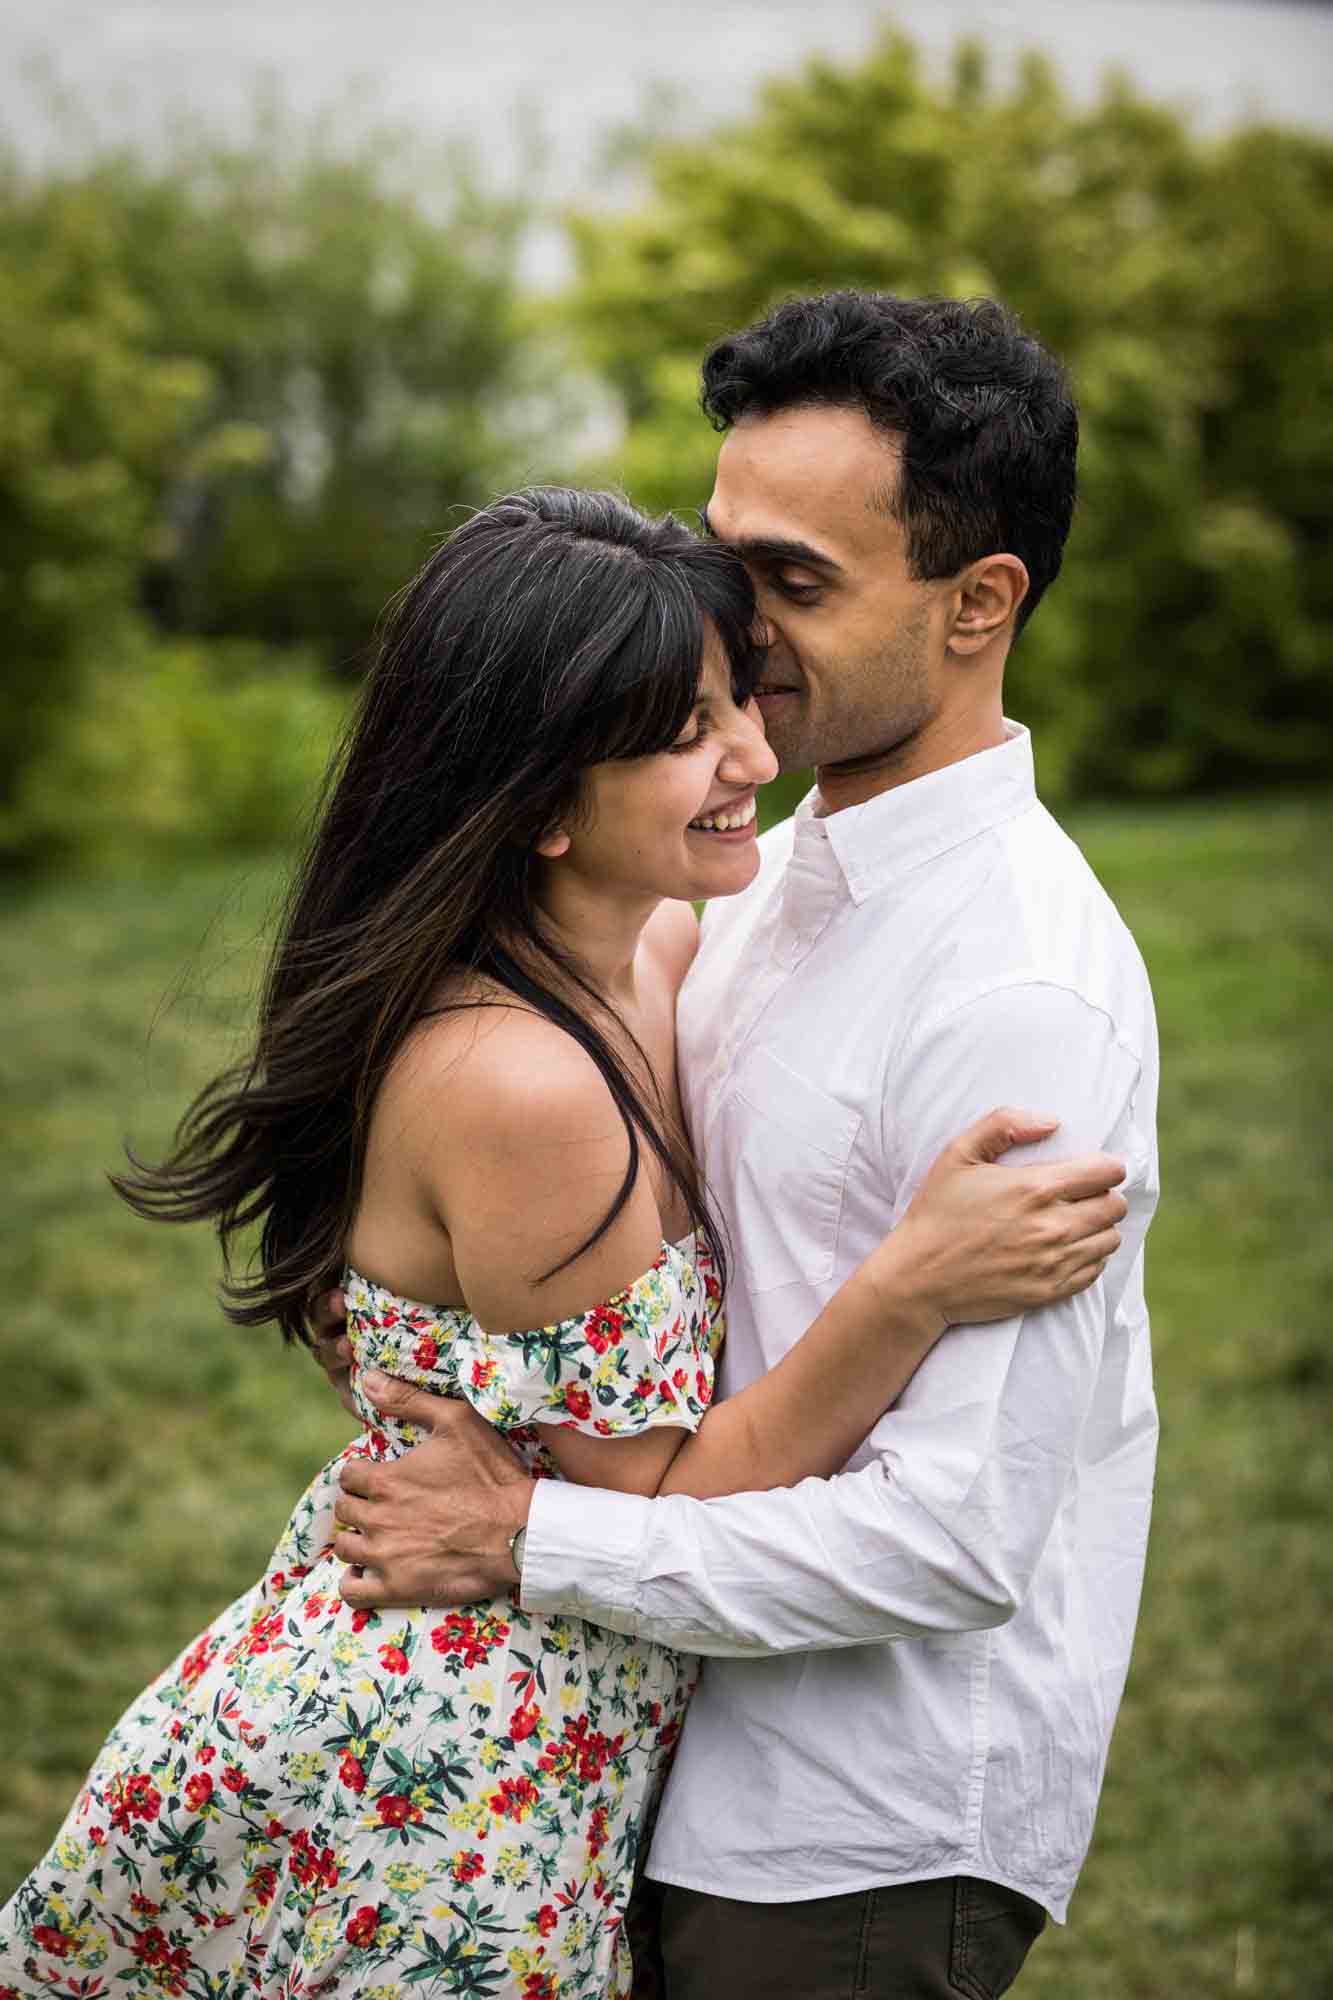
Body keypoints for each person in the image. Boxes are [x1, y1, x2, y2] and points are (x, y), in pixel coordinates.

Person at [0, 484, 1126, 2000]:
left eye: (737, 697)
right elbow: (653, 1490)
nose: (749, 755)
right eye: (679, 735)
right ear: (534, 799)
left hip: (554, 1721)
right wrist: (908, 1285)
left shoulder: (659, 942)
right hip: (443, 1763)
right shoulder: (526, 1088)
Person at [315, 294, 1161, 1999]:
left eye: (794, 582)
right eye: (726, 559)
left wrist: (524, 1537)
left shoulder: (1020, 996)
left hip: (847, 1829)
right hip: (627, 1755)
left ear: (980, 601)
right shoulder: (753, 876)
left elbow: (950, 1547)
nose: (727, 625)